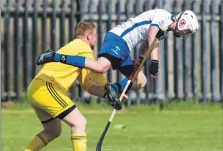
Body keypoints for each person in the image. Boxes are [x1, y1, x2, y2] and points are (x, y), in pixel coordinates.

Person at [8, 22, 123, 151]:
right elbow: (97, 74)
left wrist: (106, 94)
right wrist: (111, 89)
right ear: (88, 36)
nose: (96, 40)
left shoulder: (72, 48)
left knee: (53, 131)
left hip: (36, 89)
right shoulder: (83, 48)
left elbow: (87, 84)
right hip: (47, 88)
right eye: (95, 36)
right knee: (79, 122)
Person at [37, 9, 198, 95]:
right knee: (100, 67)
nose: (184, 34)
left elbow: (145, 47)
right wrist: (155, 62)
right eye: (186, 31)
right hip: (118, 38)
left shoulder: (164, 31)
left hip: (126, 48)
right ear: (182, 22)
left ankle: (112, 91)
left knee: (140, 80)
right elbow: (151, 35)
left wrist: (140, 62)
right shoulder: (163, 16)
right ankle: (55, 56)